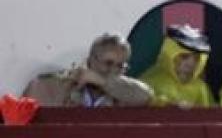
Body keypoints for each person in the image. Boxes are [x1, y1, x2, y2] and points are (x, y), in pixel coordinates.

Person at [22, 33, 152, 107]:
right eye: (108, 63)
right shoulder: (61, 84)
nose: (113, 70)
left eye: (119, 66)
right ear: (90, 61)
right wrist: (67, 85)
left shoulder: (124, 91)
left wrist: (102, 81)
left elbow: (146, 96)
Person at [140, 24, 214, 108]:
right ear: (169, 54)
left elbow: (209, 114)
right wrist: (170, 105)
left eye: (196, 58)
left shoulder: (200, 87)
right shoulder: (151, 80)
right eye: (184, 56)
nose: (191, 62)